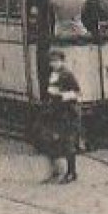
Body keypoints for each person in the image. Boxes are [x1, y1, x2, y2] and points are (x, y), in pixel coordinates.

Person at [37, 49, 82, 183]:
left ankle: (71, 172)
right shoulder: (54, 74)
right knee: (49, 141)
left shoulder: (67, 75)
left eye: (56, 61)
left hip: (67, 113)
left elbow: (77, 93)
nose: (54, 64)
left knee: (68, 143)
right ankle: (56, 171)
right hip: (55, 112)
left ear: (62, 61)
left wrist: (61, 96)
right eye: (52, 62)